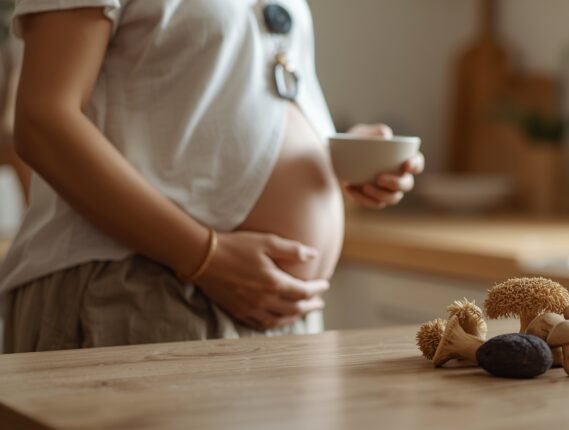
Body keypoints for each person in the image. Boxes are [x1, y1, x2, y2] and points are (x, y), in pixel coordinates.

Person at [0, 0, 424, 353]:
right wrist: (206, 257)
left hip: (275, 309)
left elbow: (217, 104)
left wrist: (336, 157)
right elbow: (43, 121)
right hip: (143, 289)